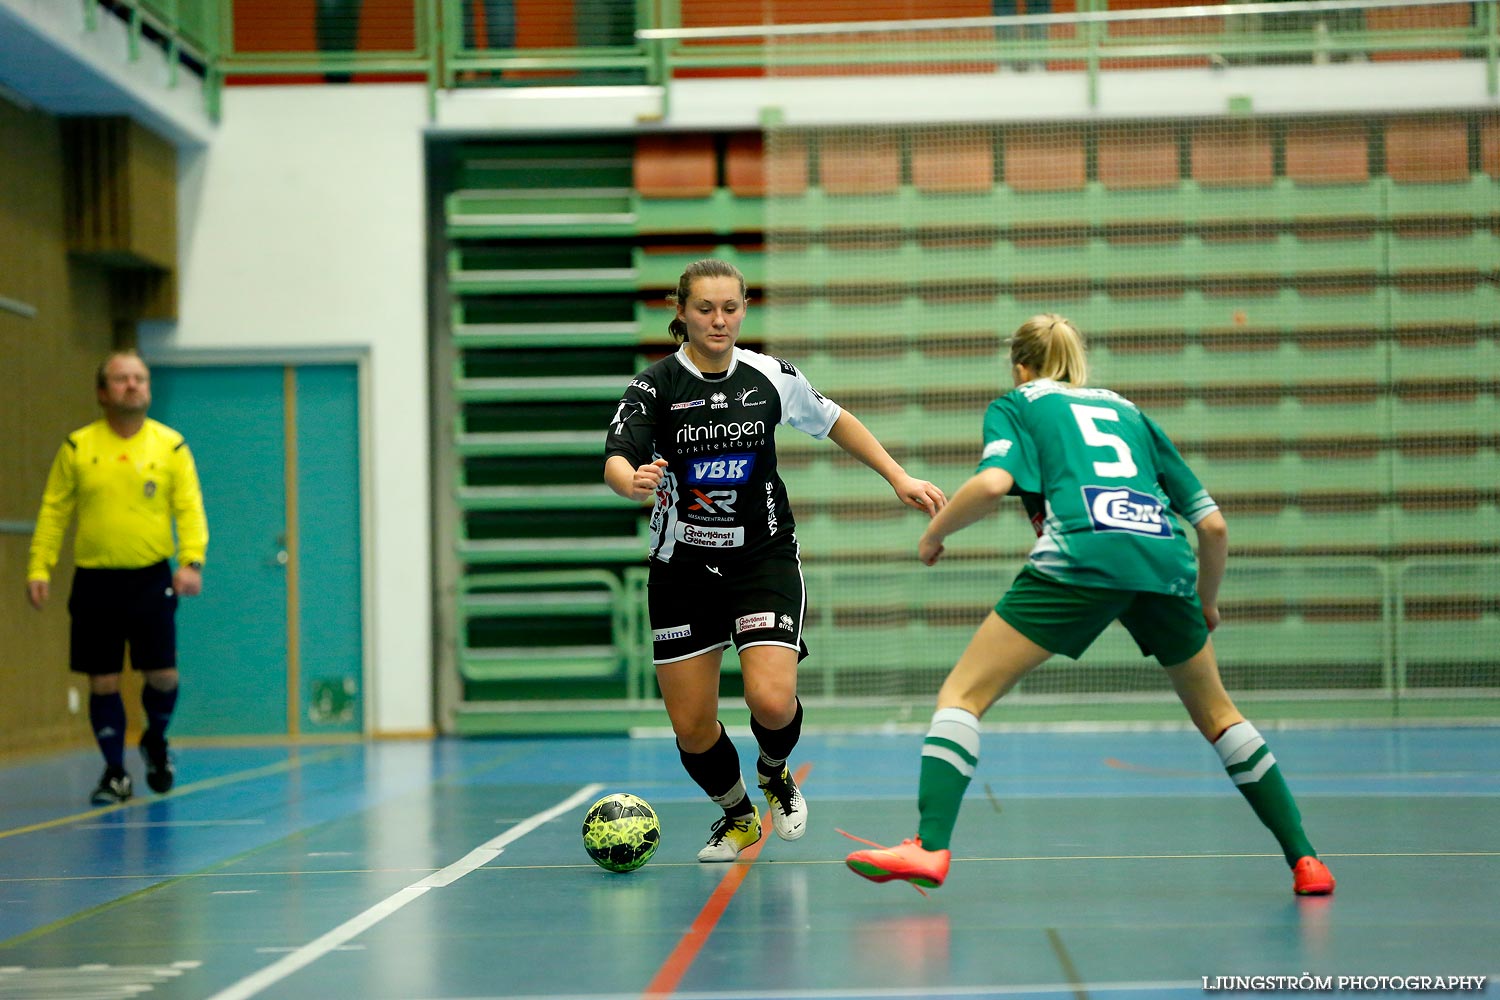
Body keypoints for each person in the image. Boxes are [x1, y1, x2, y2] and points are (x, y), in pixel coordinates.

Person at [844, 314, 1335, 896]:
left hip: (1080, 555)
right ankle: (1306, 860)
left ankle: (928, 847)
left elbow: (992, 484)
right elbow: (1214, 525)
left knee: (962, 696)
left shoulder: (1018, 403)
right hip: (1164, 563)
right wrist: (1205, 603)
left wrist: (934, 535)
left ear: (1020, 364)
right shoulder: (1130, 413)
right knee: (1221, 716)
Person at [604, 258, 948, 862]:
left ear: (744, 310)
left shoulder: (770, 376)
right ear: (680, 312)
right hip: (681, 568)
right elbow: (617, 456)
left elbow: (834, 418)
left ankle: (773, 771)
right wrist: (630, 479)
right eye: (705, 308)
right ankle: (737, 815)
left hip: (761, 557)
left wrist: (898, 476)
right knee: (691, 726)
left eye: (730, 307)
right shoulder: (655, 386)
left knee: (770, 699)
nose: (719, 320)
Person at [27, 350, 208, 806]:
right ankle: (114, 773)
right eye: (122, 379)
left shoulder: (171, 447)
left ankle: (155, 740)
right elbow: (54, 511)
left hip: (150, 578)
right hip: (95, 581)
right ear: (102, 392)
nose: (133, 386)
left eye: (140, 378)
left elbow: (189, 507)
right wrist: (39, 566)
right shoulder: (78, 447)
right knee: (103, 680)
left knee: (163, 675)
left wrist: (192, 561)